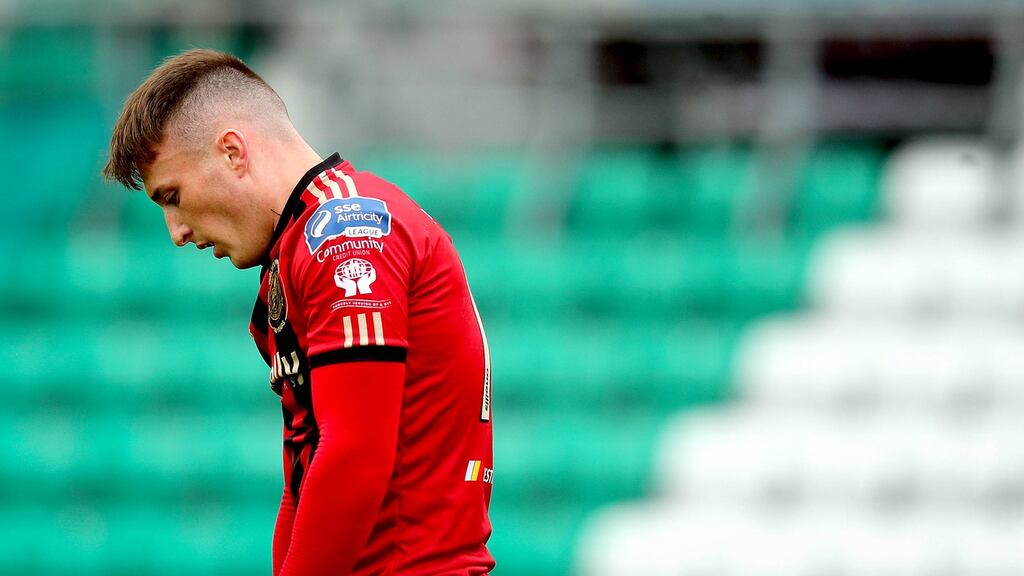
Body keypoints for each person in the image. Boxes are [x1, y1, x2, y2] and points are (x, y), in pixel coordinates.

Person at [103, 49, 495, 575]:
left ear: (233, 152)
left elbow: (354, 456)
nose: (177, 232)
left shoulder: (346, 233)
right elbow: (307, 471)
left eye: (172, 196)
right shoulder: (295, 253)